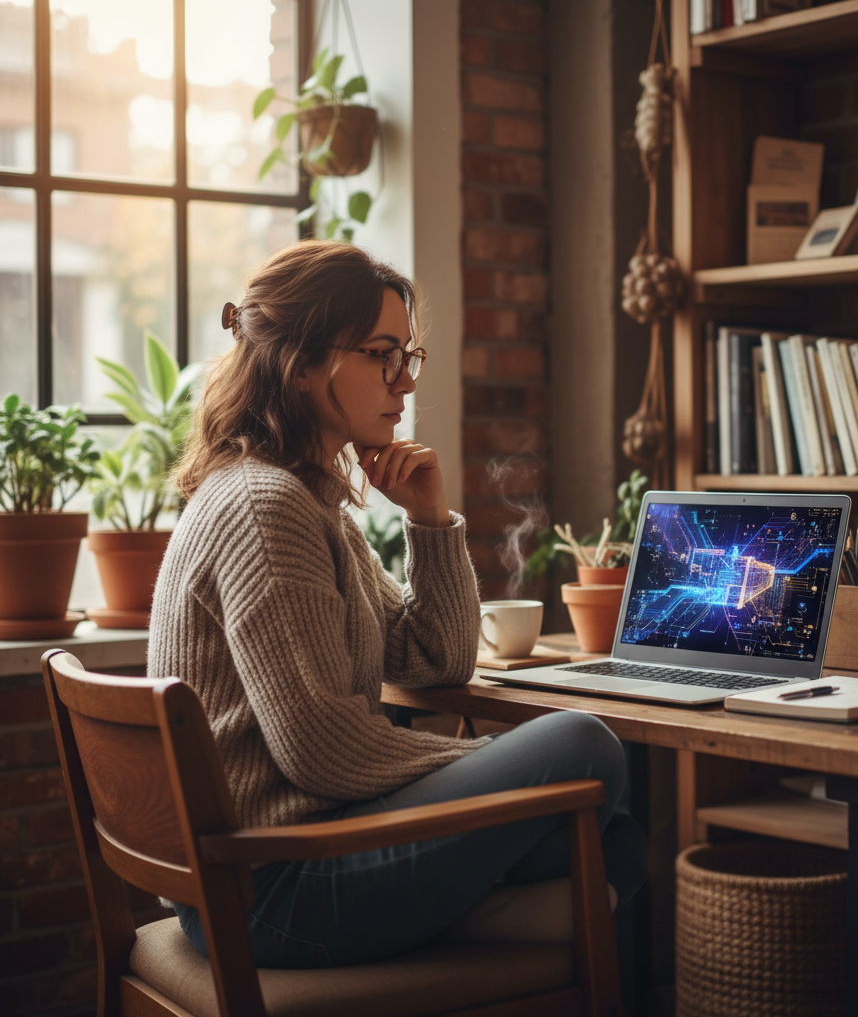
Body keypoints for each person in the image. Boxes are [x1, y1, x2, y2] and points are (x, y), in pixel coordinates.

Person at [149, 240, 647, 969]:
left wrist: (430, 520)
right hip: (275, 887)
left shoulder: (310, 503)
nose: (403, 383)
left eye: (406, 357)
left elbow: (433, 659)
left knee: (604, 831)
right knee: (584, 752)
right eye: (383, 355)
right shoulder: (266, 507)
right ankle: (484, 911)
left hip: (295, 854)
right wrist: (490, 763)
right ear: (305, 364)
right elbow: (321, 750)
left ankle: (475, 909)